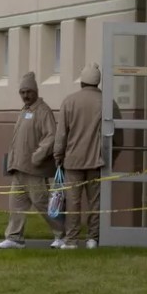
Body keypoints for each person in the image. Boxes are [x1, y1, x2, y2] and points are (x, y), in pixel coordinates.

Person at [0, 72, 64, 250]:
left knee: (42, 203)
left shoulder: (42, 111)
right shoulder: (24, 111)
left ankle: (62, 235)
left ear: (35, 91)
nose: (25, 96)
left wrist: (38, 155)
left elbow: (51, 136)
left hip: (34, 170)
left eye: (28, 92)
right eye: (22, 92)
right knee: (16, 204)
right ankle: (14, 237)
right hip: (19, 168)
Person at [56, 64, 105, 249]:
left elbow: (61, 134)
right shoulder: (106, 101)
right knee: (95, 202)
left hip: (73, 161)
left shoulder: (69, 101)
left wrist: (58, 155)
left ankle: (71, 239)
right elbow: (116, 133)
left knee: (73, 203)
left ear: (82, 81)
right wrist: (110, 157)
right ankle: (93, 238)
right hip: (96, 161)